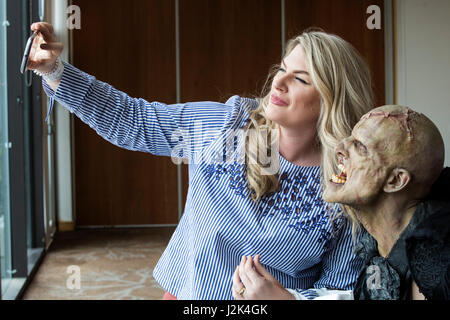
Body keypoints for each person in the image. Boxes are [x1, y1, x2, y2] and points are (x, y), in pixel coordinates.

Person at [28, 21, 375, 300]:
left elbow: (341, 290)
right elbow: (134, 120)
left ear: (333, 100)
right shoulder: (228, 128)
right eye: (282, 69)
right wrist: (55, 70)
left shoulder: (346, 191)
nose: (278, 83)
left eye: (299, 79)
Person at [234, 105, 449, 300]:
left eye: (360, 147)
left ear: (395, 180)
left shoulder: (438, 265)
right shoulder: (373, 245)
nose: (339, 148)